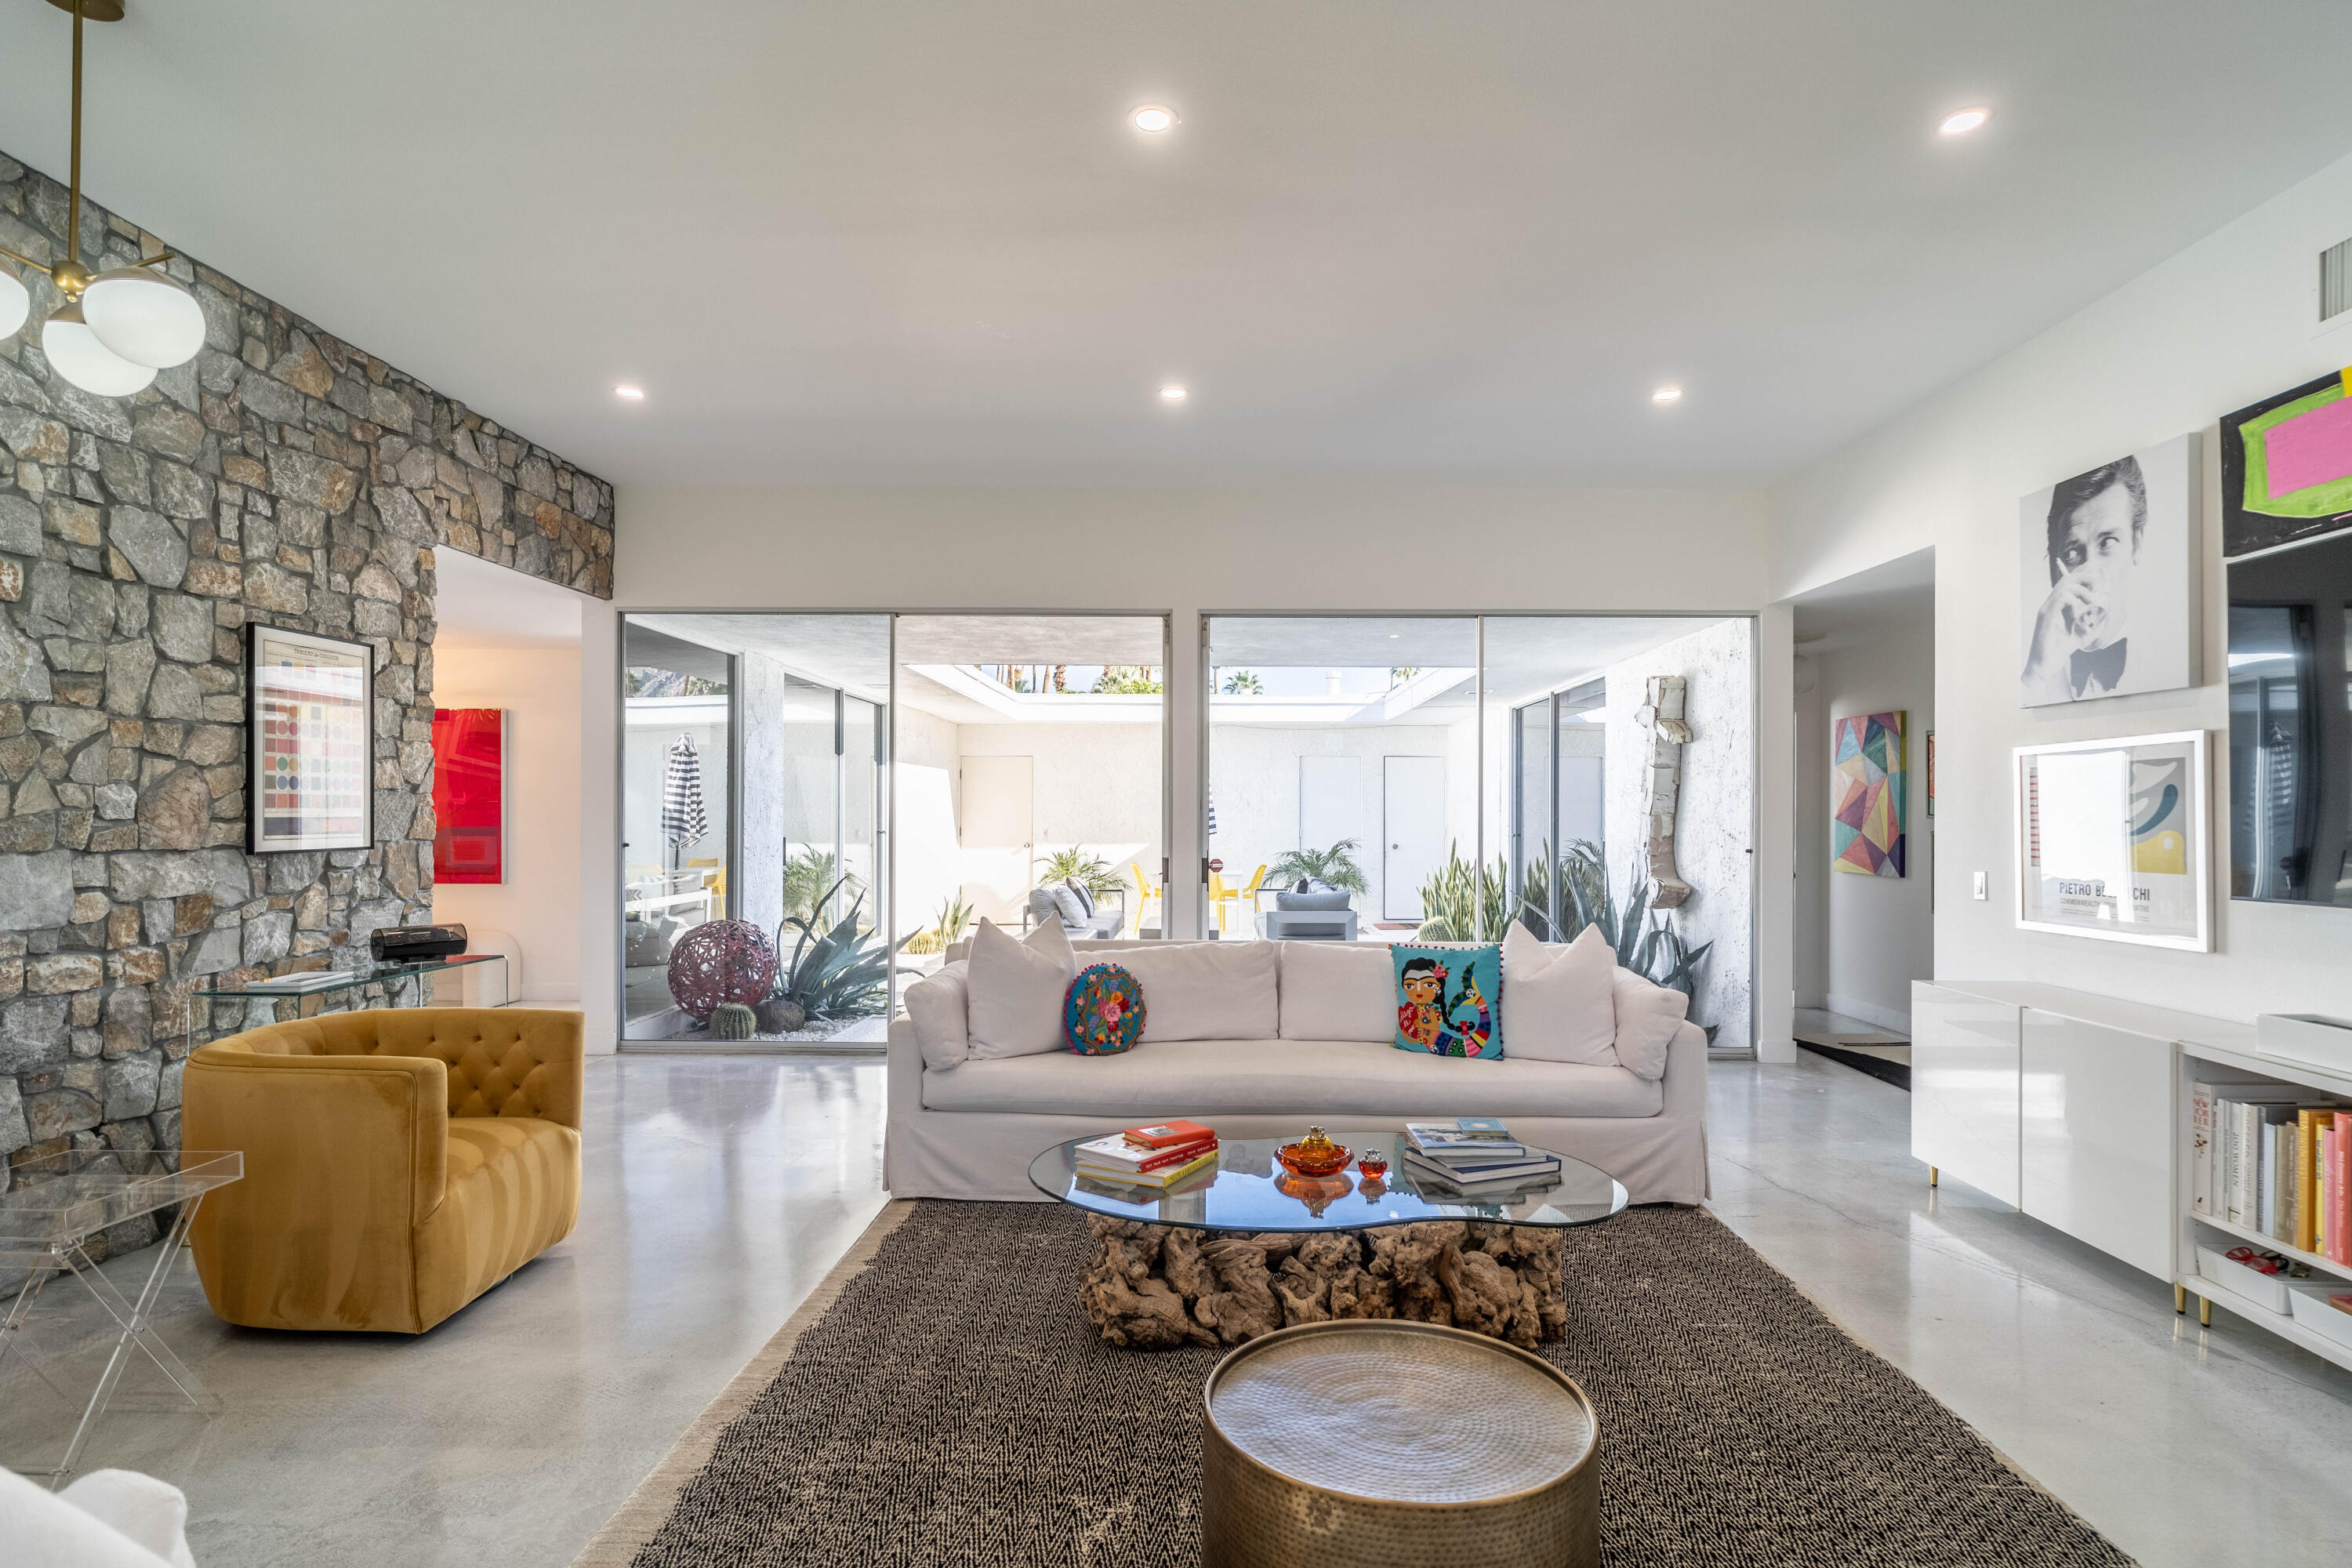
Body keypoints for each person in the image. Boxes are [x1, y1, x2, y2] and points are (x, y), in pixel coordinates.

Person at [2023, 457, 2145, 702]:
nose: (2089, 575)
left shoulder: (2168, 659)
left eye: (2107, 543)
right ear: (2055, 570)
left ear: (2136, 545)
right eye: (2072, 553)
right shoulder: (2032, 682)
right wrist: (2035, 673)